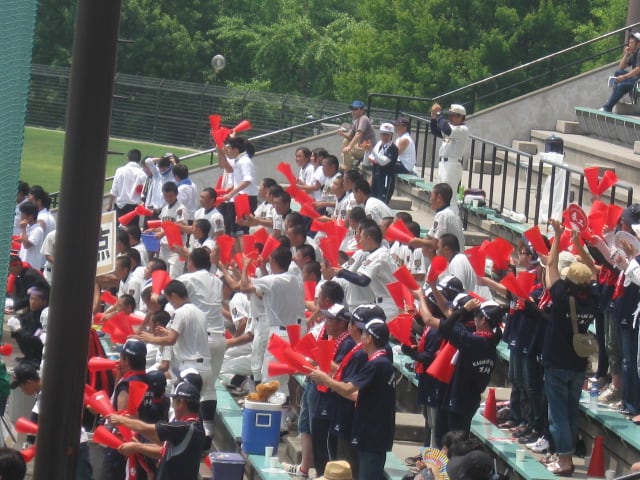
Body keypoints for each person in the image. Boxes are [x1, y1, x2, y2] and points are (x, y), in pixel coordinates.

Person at [541, 219, 597, 476]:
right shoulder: (593, 298)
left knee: (558, 414)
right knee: (571, 410)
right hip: (578, 363)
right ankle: (567, 456)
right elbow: (593, 272)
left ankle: (564, 461)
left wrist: (557, 235)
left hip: (557, 361)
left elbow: (551, 264)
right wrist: (579, 246)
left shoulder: (562, 296)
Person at [309, 318, 395, 480]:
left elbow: (349, 388)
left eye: (363, 333)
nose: (359, 336)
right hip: (374, 431)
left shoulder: (376, 364)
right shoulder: (381, 362)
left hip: (372, 434)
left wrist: (325, 379)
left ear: (369, 338)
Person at [137, 280, 217, 453]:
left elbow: (171, 340)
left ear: (173, 295)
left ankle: (173, 447)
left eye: (169, 299)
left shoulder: (180, 312)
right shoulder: (200, 312)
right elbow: (186, 337)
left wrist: (149, 338)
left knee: (179, 409)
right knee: (201, 410)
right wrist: (166, 333)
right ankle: (201, 448)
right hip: (206, 368)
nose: (170, 303)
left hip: (190, 369)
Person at [11, 362, 93, 480]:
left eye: (21, 386)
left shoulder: (52, 393)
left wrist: (70, 442)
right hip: (62, 445)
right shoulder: (42, 393)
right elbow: (36, 416)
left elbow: (73, 415)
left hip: (75, 444)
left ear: (29, 383)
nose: (22, 390)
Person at [108, 381, 204, 480]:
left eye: (174, 401)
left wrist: (122, 420)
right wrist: (137, 446)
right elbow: (162, 449)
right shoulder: (192, 427)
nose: (173, 406)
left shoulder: (184, 427)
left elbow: (151, 431)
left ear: (181, 403)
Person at [430, 103, 470, 212]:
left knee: (449, 197)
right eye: (449, 115)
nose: (450, 118)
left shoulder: (463, 129)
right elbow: (435, 131)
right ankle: (442, 221)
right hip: (443, 164)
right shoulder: (452, 127)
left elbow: (446, 130)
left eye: (453, 115)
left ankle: (454, 223)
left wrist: (438, 114)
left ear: (460, 116)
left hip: (452, 165)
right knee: (440, 196)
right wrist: (433, 117)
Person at [601, 32, 640, 112]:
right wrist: (626, 54)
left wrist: (624, 77)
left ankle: (607, 108)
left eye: (632, 43)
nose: (629, 45)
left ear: (638, 44)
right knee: (618, 72)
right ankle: (616, 96)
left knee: (621, 85)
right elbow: (621, 67)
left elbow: (638, 69)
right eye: (629, 42)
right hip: (636, 78)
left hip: (638, 81)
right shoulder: (634, 54)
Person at [364, 122, 399, 203]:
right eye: (383, 134)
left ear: (391, 135)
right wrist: (366, 151)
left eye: (387, 134)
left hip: (385, 178)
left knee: (382, 202)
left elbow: (383, 162)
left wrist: (371, 150)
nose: (385, 137)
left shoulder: (392, 148)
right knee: (372, 201)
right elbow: (367, 163)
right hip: (376, 177)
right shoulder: (379, 145)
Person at [107, 149, 146, 218]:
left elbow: (114, 191)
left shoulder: (119, 171)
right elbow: (143, 193)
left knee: (118, 227)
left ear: (128, 158)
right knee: (133, 228)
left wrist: (110, 205)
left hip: (120, 206)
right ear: (139, 160)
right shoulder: (143, 174)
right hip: (134, 208)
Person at [338, 100, 376, 170]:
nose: (353, 111)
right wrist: (342, 133)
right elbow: (350, 137)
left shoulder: (364, 118)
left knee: (347, 150)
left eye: (355, 109)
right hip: (362, 148)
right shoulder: (356, 121)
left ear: (362, 110)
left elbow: (359, 134)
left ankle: (347, 169)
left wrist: (349, 147)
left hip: (368, 149)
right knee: (345, 141)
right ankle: (348, 166)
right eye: (352, 109)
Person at [18, 201, 45, 270]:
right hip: (23, 265)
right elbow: (22, 242)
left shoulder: (38, 230)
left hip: (31, 268)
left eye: (23, 214)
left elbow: (26, 245)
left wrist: (23, 229)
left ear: (31, 216)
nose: (21, 216)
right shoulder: (27, 227)